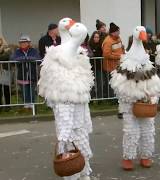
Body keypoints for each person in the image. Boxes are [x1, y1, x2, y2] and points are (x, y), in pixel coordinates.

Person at [38, 21, 94, 180]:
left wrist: (86, 118)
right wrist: (63, 134)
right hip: (65, 105)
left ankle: (83, 170)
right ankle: (72, 174)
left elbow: (85, 95)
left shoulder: (79, 56)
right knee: (68, 139)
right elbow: (55, 93)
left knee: (81, 139)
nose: (70, 24)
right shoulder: (55, 56)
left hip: (80, 112)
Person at [110, 26, 160, 171]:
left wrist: (151, 96)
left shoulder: (146, 61)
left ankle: (145, 155)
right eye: (140, 32)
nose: (143, 35)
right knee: (130, 131)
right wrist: (131, 97)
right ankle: (128, 157)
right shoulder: (126, 62)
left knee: (148, 130)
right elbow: (119, 85)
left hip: (146, 104)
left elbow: (154, 82)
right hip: (129, 104)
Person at [102, 22, 125, 118]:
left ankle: (117, 99)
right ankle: (112, 99)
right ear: (113, 32)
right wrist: (118, 56)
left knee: (119, 84)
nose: (119, 33)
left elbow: (121, 48)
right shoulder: (108, 41)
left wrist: (123, 53)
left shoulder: (118, 38)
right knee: (112, 84)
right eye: (117, 31)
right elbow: (106, 54)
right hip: (110, 66)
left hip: (119, 66)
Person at [12, 35, 40, 110]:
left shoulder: (34, 50)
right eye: (21, 42)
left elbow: (38, 58)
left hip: (32, 76)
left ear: (29, 43)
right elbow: (14, 59)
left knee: (32, 93)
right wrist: (26, 59)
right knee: (24, 93)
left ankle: (33, 107)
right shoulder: (17, 51)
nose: (23, 44)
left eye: (25, 42)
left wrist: (26, 59)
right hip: (22, 76)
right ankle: (26, 107)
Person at [89, 31, 106, 99]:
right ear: (93, 37)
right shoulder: (89, 45)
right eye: (95, 37)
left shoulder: (101, 45)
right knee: (91, 83)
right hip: (91, 67)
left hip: (99, 67)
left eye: (98, 37)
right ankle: (91, 98)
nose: (96, 38)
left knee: (100, 83)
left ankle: (100, 98)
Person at [0, 36, 11, 111]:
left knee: (6, 89)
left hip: (5, 71)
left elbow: (6, 57)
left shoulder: (7, 49)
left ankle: (8, 106)